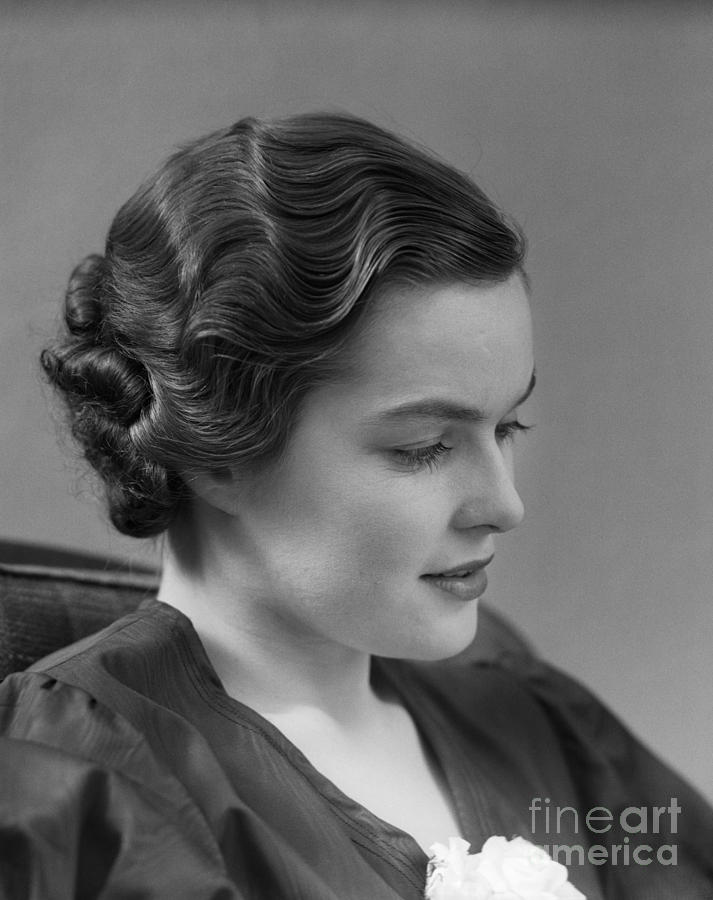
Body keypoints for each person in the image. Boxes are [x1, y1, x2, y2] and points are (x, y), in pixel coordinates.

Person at [0, 112, 711, 899]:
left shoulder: (540, 730)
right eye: (422, 448)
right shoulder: (94, 780)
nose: (503, 505)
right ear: (219, 455)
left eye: (506, 426)